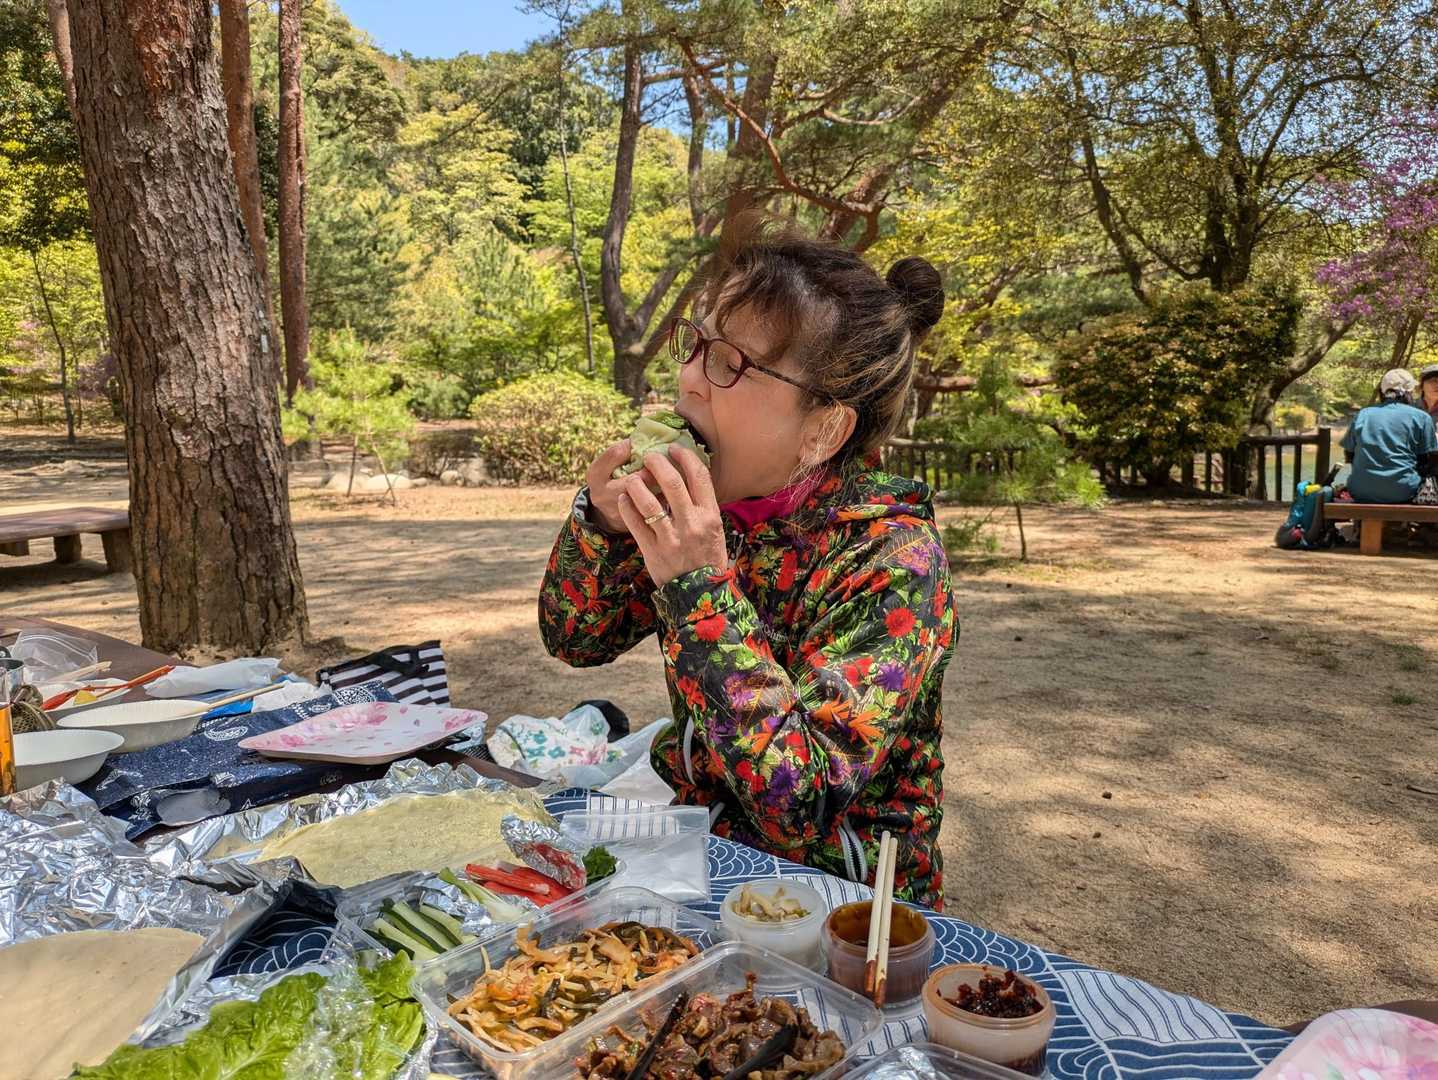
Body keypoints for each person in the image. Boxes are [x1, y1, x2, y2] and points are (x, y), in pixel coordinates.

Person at [539, 220, 957, 909]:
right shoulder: (717, 512)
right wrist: (605, 528)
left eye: (730, 364)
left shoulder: (895, 559)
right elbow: (576, 639)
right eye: (695, 346)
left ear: (823, 429)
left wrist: (698, 589)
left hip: (845, 908)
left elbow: (799, 804)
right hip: (702, 863)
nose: (687, 380)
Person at [1340, 369, 1438, 503]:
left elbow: (1349, 454)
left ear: (1382, 391)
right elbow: (1429, 459)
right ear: (1409, 392)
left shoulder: (1363, 414)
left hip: (1359, 490)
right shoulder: (1421, 417)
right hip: (1404, 491)